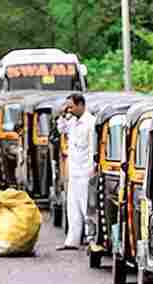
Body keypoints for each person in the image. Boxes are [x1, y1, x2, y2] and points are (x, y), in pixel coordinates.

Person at [56, 93, 95, 251]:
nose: (69, 110)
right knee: (73, 208)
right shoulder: (71, 122)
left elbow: (93, 148)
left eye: (71, 106)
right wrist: (62, 113)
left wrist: (92, 169)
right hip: (74, 171)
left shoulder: (90, 123)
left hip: (86, 171)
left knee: (87, 207)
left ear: (80, 105)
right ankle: (72, 240)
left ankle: (90, 239)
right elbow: (60, 129)